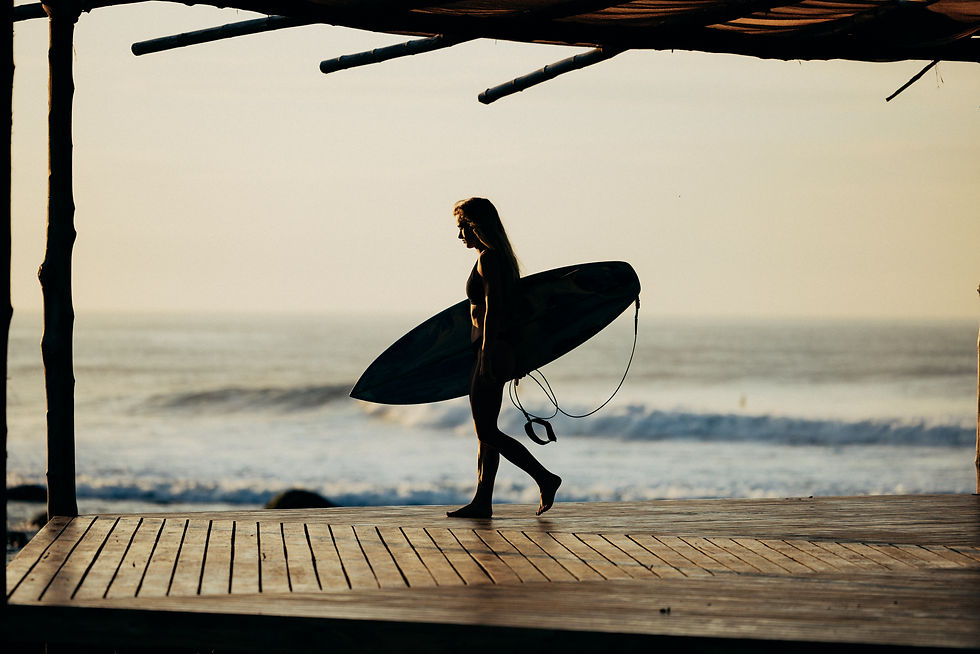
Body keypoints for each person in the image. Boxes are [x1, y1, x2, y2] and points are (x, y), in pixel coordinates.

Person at [447, 197, 562, 519]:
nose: (460, 237)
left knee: (486, 431)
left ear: (476, 226)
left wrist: (486, 356)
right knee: (487, 432)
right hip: (495, 348)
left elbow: (495, 311)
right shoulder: (499, 259)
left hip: (490, 349)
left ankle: (545, 477)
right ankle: (483, 501)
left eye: (462, 228)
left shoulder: (490, 260)